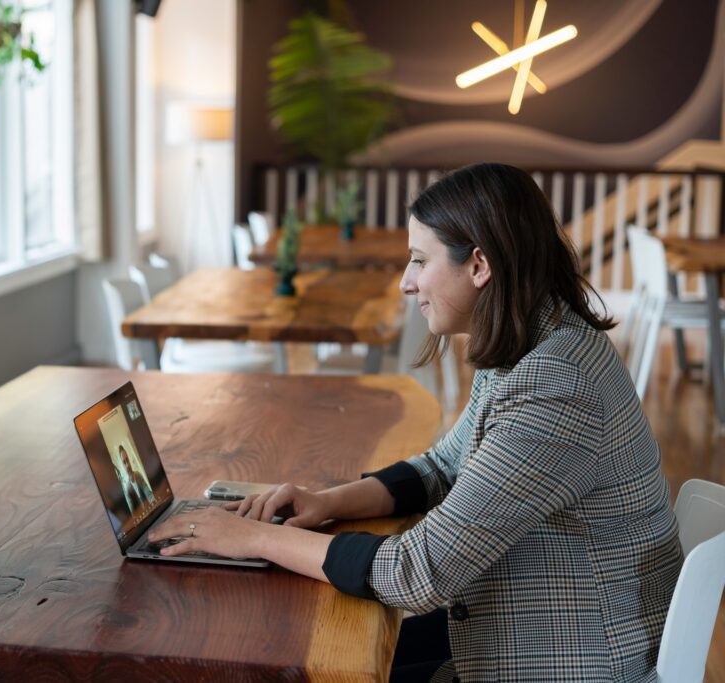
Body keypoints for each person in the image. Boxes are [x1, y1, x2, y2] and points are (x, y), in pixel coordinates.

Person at [149, 163, 683, 683]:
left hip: (573, 660)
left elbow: (418, 573)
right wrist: (325, 501)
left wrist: (252, 540)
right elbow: (442, 468)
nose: (406, 283)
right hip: (528, 628)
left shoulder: (557, 383)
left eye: (419, 261)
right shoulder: (535, 343)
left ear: (479, 265)